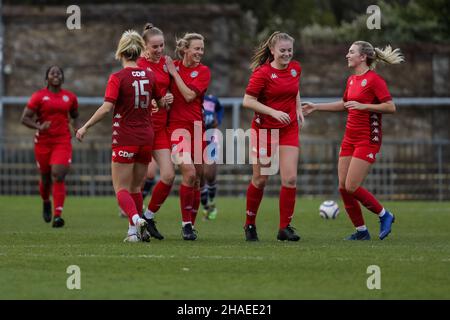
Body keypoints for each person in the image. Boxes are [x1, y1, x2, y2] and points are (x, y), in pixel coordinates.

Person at [302, 41, 404, 240]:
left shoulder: (374, 80)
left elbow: (391, 107)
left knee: (351, 186)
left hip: (368, 139)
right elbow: (345, 104)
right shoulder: (351, 80)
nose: (347, 55)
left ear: (362, 57)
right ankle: (361, 232)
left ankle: (385, 215)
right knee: (343, 187)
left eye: (351, 52)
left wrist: (365, 107)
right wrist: (316, 107)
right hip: (349, 138)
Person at [76, 30, 168, 242]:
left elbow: (107, 108)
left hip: (125, 136)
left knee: (121, 189)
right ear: (139, 52)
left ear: (121, 52)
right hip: (147, 136)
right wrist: (164, 100)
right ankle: (132, 233)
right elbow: (161, 103)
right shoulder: (150, 75)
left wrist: (85, 126)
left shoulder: (117, 78)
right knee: (136, 187)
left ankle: (136, 219)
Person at [242, 31, 303, 242]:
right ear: (272, 50)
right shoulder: (262, 74)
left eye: (290, 50)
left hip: (288, 130)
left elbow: (294, 89)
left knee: (290, 178)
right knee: (260, 179)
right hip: (264, 131)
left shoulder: (296, 68)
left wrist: (298, 108)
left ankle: (284, 228)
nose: (287, 54)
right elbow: (248, 101)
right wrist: (273, 111)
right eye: (283, 51)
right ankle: (250, 224)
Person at [165, 32, 211, 240]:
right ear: (185, 49)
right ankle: (185, 224)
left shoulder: (203, 71)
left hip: (198, 129)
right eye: (196, 48)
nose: (200, 52)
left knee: (198, 179)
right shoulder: (171, 67)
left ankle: (191, 225)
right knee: (190, 173)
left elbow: (189, 95)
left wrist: (175, 74)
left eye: (202, 49)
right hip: (176, 129)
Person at [21, 65, 79, 228]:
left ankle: (58, 215)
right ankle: (46, 201)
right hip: (43, 142)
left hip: (62, 140)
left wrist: (77, 130)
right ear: (47, 78)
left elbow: (75, 115)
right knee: (46, 178)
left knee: (58, 174)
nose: (56, 75)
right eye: (52, 73)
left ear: (62, 77)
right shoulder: (38, 97)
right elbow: (24, 118)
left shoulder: (70, 97)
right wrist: (39, 127)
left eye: (59, 73)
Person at [134, 23, 175, 240]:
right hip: (142, 128)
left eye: (162, 45)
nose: (159, 50)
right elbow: (136, 93)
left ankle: (148, 216)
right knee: (139, 179)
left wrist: (167, 98)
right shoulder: (139, 65)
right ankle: (135, 222)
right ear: (144, 46)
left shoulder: (167, 64)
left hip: (160, 128)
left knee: (168, 175)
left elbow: (167, 91)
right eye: (155, 46)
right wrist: (156, 100)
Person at [200, 94, 224, 220]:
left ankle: (212, 201)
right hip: (196, 136)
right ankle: (206, 207)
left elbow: (220, 108)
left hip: (211, 138)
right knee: (199, 177)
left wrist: (218, 120)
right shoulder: (189, 98)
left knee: (209, 173)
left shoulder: (212, 99)